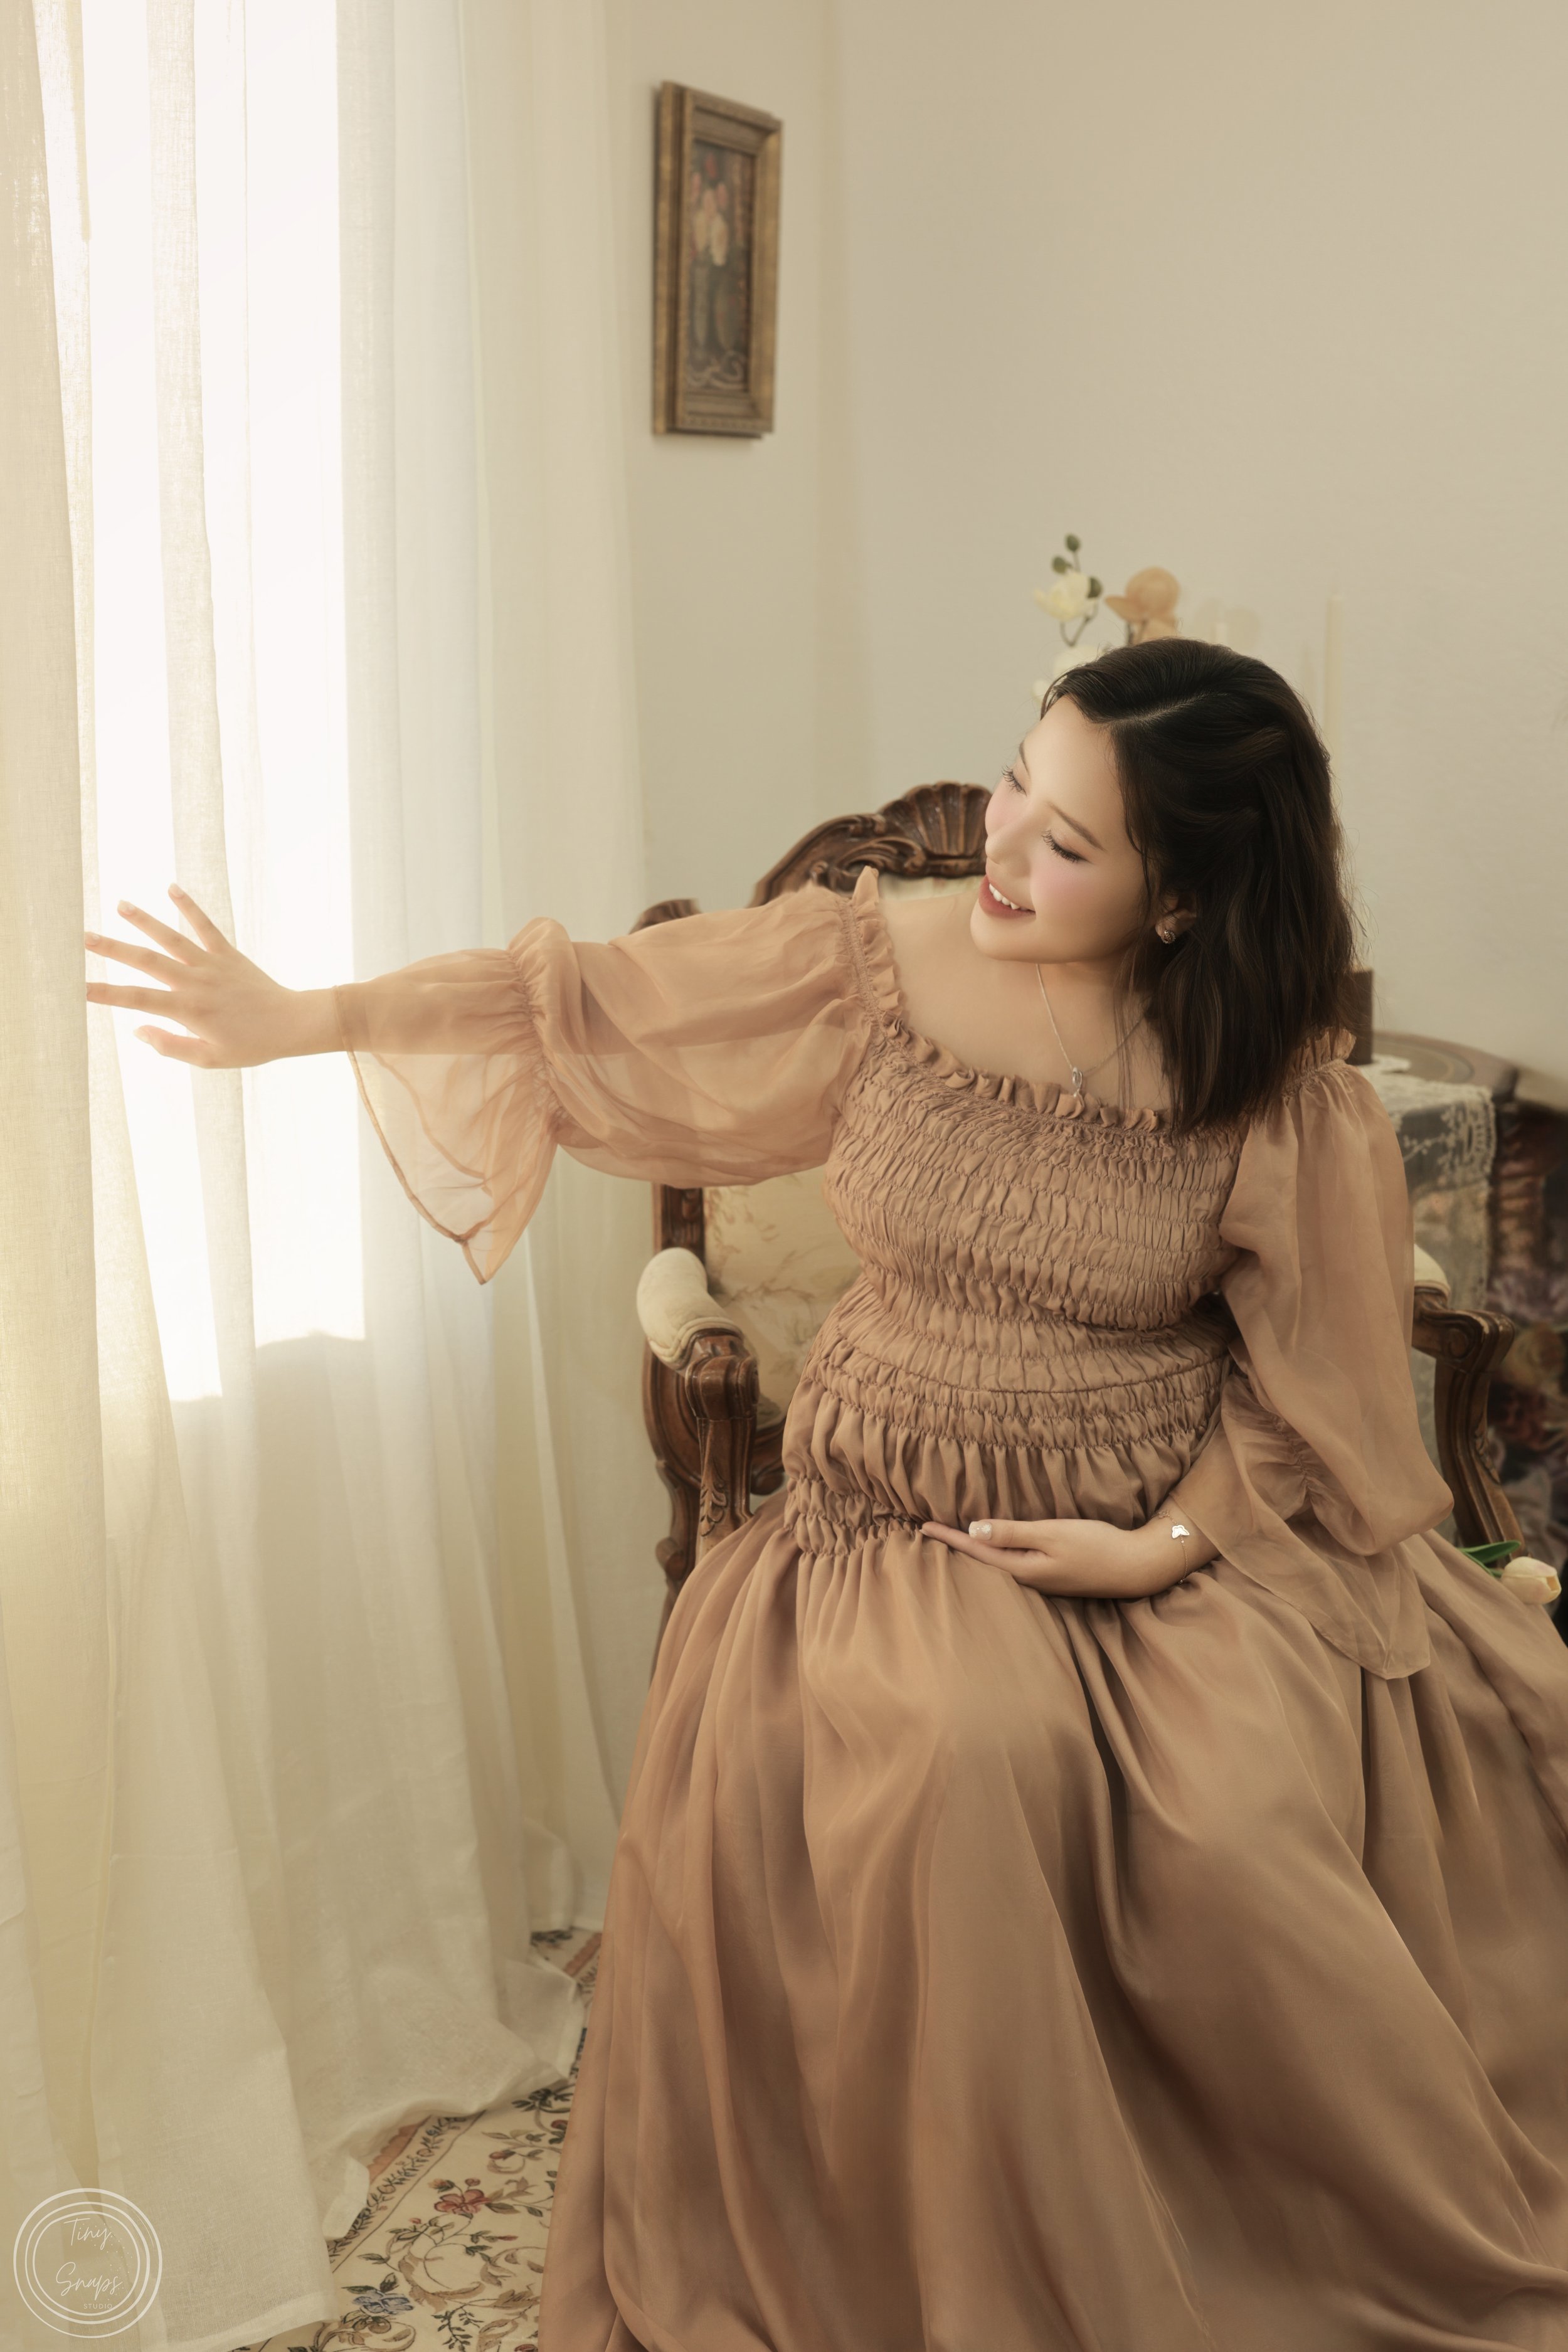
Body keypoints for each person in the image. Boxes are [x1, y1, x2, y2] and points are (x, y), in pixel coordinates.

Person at [85, 640, 1568, 2349]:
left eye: (1069, 843)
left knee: (1236, 1819)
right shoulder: (869, 954)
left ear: (1182, 901)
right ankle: (953, 2264)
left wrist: (1151, 1544)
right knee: (958, 1759)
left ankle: (1228, 2229)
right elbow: (582, 999)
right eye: (1017, 779)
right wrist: (311, 1018)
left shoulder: (1272, 1090)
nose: (1001, 849)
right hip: (885, 1528)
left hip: (1165, 1526)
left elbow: (1301, 1384)